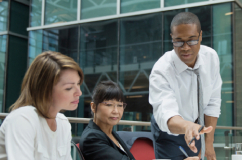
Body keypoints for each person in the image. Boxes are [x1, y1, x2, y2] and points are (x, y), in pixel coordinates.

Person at [149, 12, 222, 160]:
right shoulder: (161, 70)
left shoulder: (211, 57)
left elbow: (213, 102)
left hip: (196, 127)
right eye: (178, 41)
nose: (185, 47)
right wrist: (187, 126)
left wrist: (209, 142)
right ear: (172, 38)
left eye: (192, 40)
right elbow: (167, 112)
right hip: (169, 129)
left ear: (200, 36)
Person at [0, 51, 83, 160]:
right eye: (69, 88)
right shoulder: (23, 119)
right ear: (44, 89)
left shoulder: (63, 123)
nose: (79, 93)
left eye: (78, 84)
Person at [79, 81, 135, 160]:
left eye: (120, 105)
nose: (116, 111)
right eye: (109, 104)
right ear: (94, 107)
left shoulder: (110, 133)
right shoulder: (91, 138)